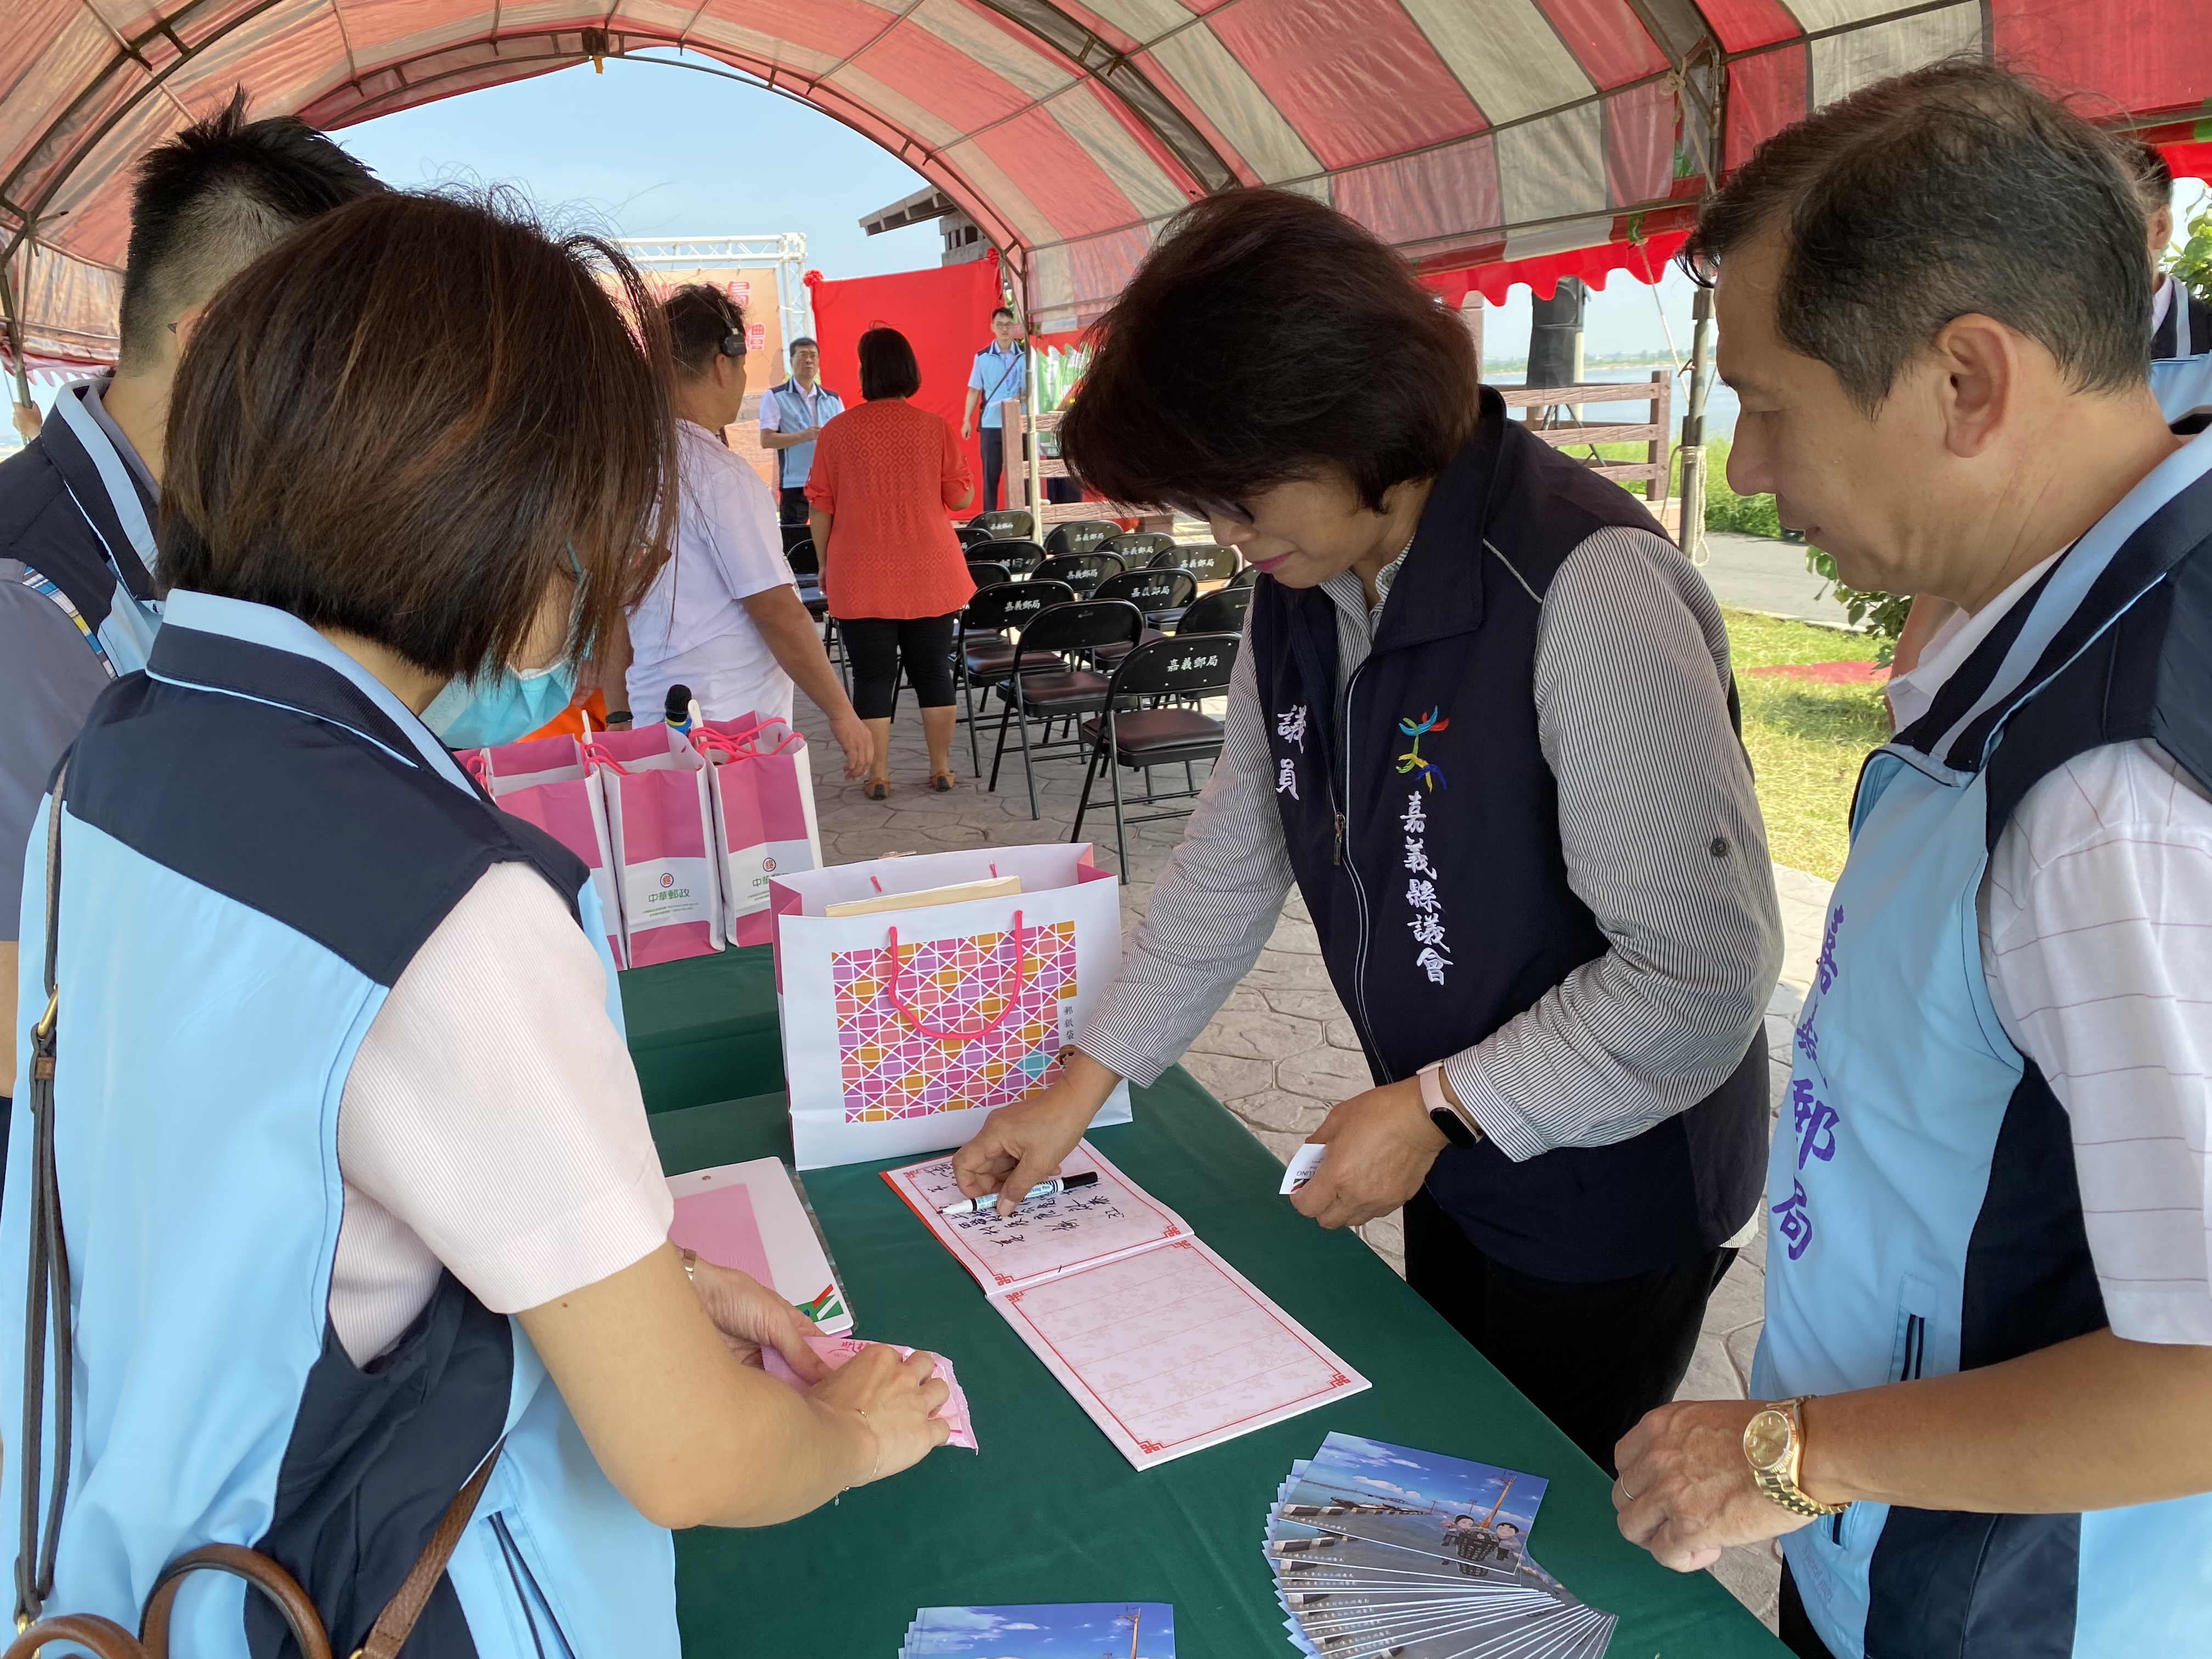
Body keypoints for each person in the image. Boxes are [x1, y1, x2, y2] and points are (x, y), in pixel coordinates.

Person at [1, 191, 950, 1652]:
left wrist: (653, 1280)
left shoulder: (122, 754)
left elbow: (254, 1178)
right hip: (353, 1596)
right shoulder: (451, 911)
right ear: (499, 533)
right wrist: (861, 1435)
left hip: (129, 1566)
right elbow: (689, 1455)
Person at [951, 189, 1782, 1474]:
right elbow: (1239, 849)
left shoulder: (1582, 587)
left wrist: (1443, 1106)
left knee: (1538, 1503)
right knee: (1455, 1461)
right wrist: (1082, 1084)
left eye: (1240, 494)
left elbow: (1701, 976)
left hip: (1607, 1177)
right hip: (1447, 1134)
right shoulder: (1302, 582)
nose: (1226, 534)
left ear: (1350, 417)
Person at [1609, 65, 2212, 1659]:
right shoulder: (2069, 612)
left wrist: (1795, 1453)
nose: (1744, 469)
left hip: (2008, 1609)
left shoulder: (2113, 791)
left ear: (1966, 385)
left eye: (1771, 402)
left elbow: (2205, 1377)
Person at [0, 91, 377, 1195]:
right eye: (337, 361)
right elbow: (29, 992)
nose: (354, 410)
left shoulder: (217, 544)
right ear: (217, 341)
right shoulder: (31, 589)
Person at [619, 284, 868, 775]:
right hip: (725, 728)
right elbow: (776, 610)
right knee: (745, 853)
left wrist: (618, 716)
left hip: (656, 713)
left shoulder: (631, 467)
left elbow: (613, 606)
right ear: (721, 364)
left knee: (680, 849)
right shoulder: (718, 475)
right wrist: (841, 711)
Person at [806, 325, 975, 799]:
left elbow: (821, 508)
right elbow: (959, 496)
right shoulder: (934, 427)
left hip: (860, 572)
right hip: (931, 570)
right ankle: (941, 769)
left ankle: (877, 774)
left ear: (866, 372)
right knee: (933, 672)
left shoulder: (836, 432)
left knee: (873, 676)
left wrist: (824, 563)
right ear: (909, 370)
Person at [759, 335, 845, 526]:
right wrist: (803, 436)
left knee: (833, 535)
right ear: (791, 361)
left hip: (829, 482)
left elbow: (845, 441)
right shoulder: (775, 397)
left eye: (813, 356)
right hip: (795, 482)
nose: (809, 360)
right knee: (795, 538)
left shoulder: (833, 399)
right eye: (803, 355)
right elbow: (767, 440)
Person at [960, 303, 1027, 512]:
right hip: (992, 423)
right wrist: (966, 420)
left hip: (1018, 422)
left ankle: (1024, 515)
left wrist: (1022, 396)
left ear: (1015, 326)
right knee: (991, 474)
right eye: (1000, 325)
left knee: (1021, 473)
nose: (1004, 329)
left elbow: (1031, 388)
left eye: (1008, 324)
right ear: (992, 327)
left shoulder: (1025, 356)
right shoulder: (982, 357)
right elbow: (974, 390)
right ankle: (990, 517)